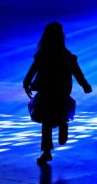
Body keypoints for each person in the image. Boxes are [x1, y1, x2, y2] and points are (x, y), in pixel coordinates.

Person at [23, 22, 92, 167]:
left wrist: (26, 83)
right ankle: (62, 125)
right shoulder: (67, 56)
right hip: (61, 91)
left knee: (46, 122)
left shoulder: (43, 55)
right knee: (55, 115)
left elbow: (32, 71)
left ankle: (47, 151)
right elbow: (77, 72)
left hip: (47, 91)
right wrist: (85, 84)